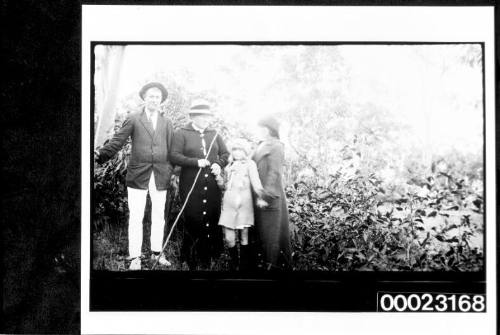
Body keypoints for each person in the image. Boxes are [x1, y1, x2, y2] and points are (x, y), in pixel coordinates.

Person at [95, 82, 174, 270]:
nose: (154, 99)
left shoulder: (167, 122)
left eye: (157, 96)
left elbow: (172, 148)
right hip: (138, 174)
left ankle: (157, 253)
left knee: (158, 216)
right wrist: (100, 155)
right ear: (144, 98)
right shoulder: (133, 118)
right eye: (150, 96)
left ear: (161, 100)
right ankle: (135, 257)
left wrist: (173, 171)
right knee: (136, 216)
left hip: (161, 176)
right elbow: (118, 140)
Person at [169, 99, 230, 270]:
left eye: (208, 117)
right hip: (190, 185)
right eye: (202, 116)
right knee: (194, 218)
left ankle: (212, 254)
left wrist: (219, 163)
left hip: (212, 186)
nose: (206, 120)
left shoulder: (214, 134)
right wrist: (196, 162)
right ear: (193, 117)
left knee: (211, 215)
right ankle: (190, 256)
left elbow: (226, 154)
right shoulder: (181, 133)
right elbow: (174, 156)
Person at [217, 139, 270, 271]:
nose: (237, 153)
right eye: (235, 150)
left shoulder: (250, 164)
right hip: (229, 205)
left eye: (240, 150)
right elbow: (223, 186)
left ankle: (243, 267)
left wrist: (262, 197)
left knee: (244, 237)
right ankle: (234, 263)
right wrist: (218, 178)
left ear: (245, 151)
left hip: (244, 205)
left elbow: (256, 183)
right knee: (229, 239)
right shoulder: (228, 166)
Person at [252, 116, 292, 271]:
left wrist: (266, 196)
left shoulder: (276, 146)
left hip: (270, 198)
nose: (259, 131)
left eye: (262, 128)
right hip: (258, 197)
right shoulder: (260, 145)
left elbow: (274, 173)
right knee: (261, 238)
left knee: (271, 239)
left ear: (269, 130)